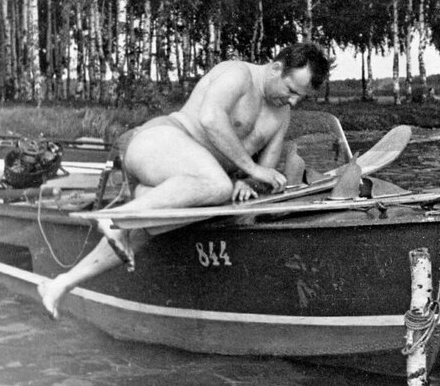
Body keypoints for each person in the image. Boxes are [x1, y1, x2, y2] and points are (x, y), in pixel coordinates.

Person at [38, 43, 332, 318]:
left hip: (191, 181)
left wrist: (249, 182)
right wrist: (250, 169)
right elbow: (210, 119)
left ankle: (61, 284)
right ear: (276, 68)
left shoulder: (281, 115)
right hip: (157, 143)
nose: (293, 100)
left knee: (146, 227)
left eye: (300, 97)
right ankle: (113, 216)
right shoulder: (238, 74)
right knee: (217, 186)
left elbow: (264, 170)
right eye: (291, 90)